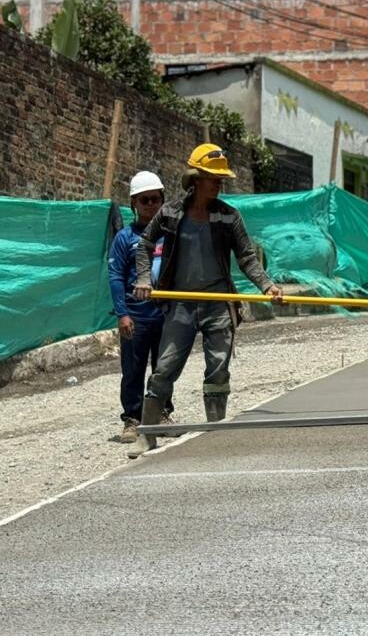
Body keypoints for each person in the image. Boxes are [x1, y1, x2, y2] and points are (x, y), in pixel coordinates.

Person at [128, 144, 282, 457]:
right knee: (164, 368)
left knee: (218, 369)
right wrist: (144, 279)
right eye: (213, 177)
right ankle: (148, 433)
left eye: (220, 178)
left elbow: (247, 257)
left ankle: (217, 434)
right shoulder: (171, 213)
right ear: (196, 178)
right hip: (181, 304)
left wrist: (267, 285)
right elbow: (144, 245)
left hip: (218, 303)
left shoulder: (228, 216)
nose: (218, 183)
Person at [107, 171, 174, 443]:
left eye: (155, 199)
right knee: (133, 370)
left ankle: (161, 413)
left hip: (166, 315)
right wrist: (122, 313)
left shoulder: (170, 236)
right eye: (144, 200)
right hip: (136, 317)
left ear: (162, 201)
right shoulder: (124, 239)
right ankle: (132, 420)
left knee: (165, 368)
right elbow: (115, 277)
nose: (150, 205)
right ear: (134, 202)